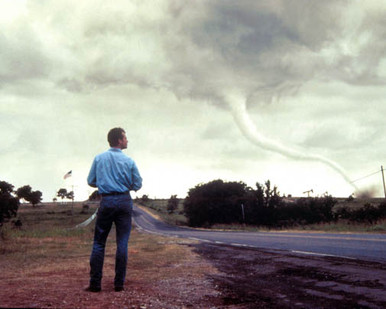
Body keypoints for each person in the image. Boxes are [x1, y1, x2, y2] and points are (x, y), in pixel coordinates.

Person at [85, 127, 142, 292]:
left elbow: (90, 180)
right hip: (124, 201)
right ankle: (119, 284)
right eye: (125, 138)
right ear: (119, 140)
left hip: (107, 200)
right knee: (122, 243)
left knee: (99, 243)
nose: (127, 140)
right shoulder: (129, 161)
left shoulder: (99, 158)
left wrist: (104, 182)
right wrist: (125, 185)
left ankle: (95, 284)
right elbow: (137, 184)